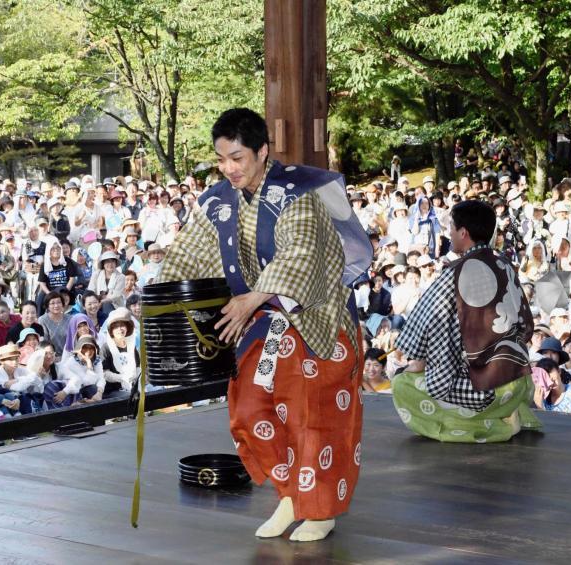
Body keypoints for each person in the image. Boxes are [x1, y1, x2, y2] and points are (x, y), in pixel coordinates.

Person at [157, 108, 368, 542]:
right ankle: (290, 493)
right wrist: (159, 299)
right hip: (266, 327)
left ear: (262, 151)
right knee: (250, 407)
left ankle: (319, 508)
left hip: (317, 321)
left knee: (313, 418)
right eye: (222, 159)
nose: (229, 168)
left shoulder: (297, 193)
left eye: (237, 157)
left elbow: (301, 255)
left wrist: (253, 296)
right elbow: (187, 256)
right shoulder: (217, 201)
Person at [394, 199, 541, 442]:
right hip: (519, 380)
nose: (448, 232)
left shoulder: (455, 272)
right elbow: (526, 325)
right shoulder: (504, 264)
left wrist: (417, 364)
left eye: (451, 227)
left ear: (463, 233)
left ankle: (471, 427)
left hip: (486, 390)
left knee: (402, 384)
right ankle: (507, 416)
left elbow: (431, 323)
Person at [99, 307, 138, 400]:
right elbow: (104, 374)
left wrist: (135, 376)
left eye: (122, 325)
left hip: (132, 386)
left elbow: (138, 367)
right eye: (116, 327)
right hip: (112, 390)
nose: (120, 329)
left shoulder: (131, 346)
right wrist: (122, 377)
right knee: (131, 397)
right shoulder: (106, 348)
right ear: (111, 330)